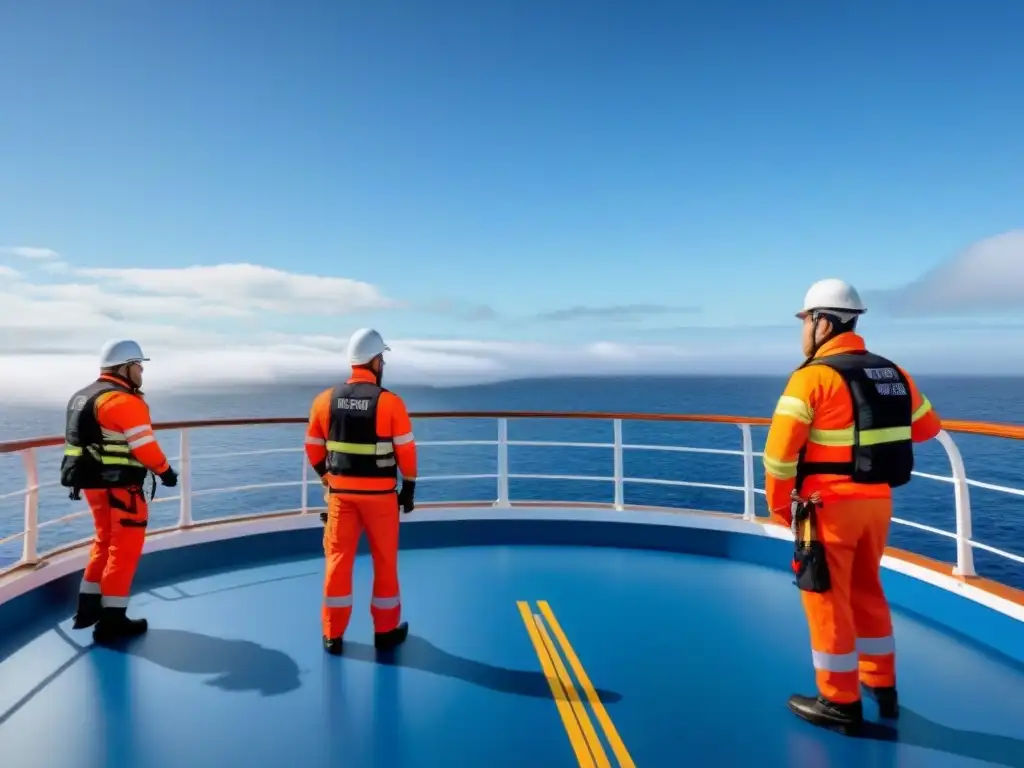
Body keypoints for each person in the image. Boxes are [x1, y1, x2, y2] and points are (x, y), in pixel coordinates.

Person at [762, 279, 942, 733]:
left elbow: (779, 456)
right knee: (867, 590)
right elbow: (927, 427)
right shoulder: (893, 372)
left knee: (826, 599)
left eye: (805, 321)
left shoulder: (812, 378)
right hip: (877, 503)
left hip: (828, 508)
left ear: (822, 322)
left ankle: (839, 702)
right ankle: (882, 687)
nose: (803, 331)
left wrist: (781, 509)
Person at [304, 328, 418, 655]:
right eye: (382, 359)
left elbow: (312, 446)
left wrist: (327, 477)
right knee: (384, 562)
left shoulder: (324, 400)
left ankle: (332, 635)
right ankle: (384, 631)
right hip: (381, 498)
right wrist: (408, 488)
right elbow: (407, 453)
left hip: (341, 496)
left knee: (338, 561)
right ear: (376, 361)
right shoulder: (391, 403)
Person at [62, 339, 179, 643]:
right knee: (123, 551)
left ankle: (87, 609)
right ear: (125, 367)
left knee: (103, 540)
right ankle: (112, 621)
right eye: (139, 365)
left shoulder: (82, 396)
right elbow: (145, 448)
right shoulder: (123, 401)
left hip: (92, 486)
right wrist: (166, 473)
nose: (142, 371)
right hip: (121, 489)